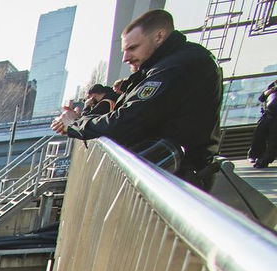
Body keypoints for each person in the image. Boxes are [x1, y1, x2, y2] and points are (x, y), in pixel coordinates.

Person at [50, 9, 222, 178]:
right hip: (173, 170)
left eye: (132, 48)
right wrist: (78, 122)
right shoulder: (168, 64)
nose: (125, 57)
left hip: (175, 174)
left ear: (159, 37)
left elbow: (125, 122)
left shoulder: (176, 67)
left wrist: (76, 123)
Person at [252, 78, 277, 169]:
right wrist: (271, 90)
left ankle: (265, 160)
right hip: (268, 115)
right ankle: (257, 156)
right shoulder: (274, 84)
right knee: (259, 135)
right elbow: (261, 98)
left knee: (273, 141)